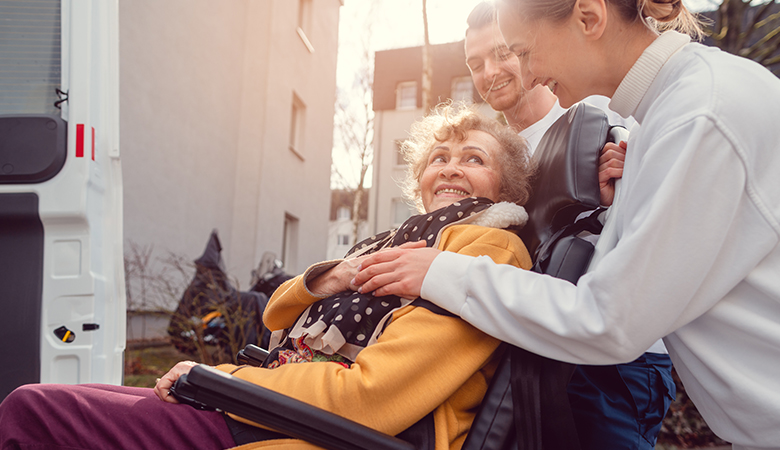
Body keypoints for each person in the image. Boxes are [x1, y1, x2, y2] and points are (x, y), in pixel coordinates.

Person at [353, 0, 780, 449]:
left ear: (588, 17)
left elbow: (608, 320)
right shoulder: (677, 112)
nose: (528, 74)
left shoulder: (700, 116)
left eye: (523, 51)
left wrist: (439, 271)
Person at [0, 104, 536, 450]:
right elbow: (278, 313)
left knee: (33, 412)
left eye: (473, 158)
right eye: (438, 157)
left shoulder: (485, 247)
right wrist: (324, 281)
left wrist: (225, 384)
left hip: (325, 428)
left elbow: (372, 395)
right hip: (286, 403)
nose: (449, 167)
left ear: (505, 185)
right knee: (61, 395)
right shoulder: (394, 239)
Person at [463, 3, 674, 449]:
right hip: (536, 351)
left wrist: (630, 171)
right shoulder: (497, 157)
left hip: (614, 360)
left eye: (503, 52)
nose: (490, 72)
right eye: (474, 63)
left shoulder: (600, 115)